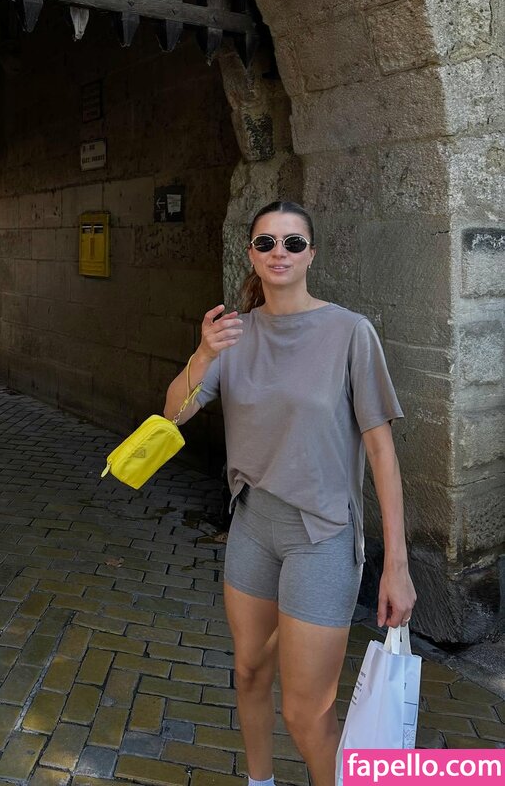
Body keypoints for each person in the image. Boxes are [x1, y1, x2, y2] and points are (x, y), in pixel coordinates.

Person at [163, 199, 416, 786]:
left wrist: (396, 566)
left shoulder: (350, 332)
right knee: (250, 672)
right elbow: (172, 415)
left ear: (311, 254)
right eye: (267, 242)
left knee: (306, 713)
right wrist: (204, 353)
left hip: (321, 536)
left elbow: (382, 453)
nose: (280, 252)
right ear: (251, 254)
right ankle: (260, 781)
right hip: (253, 526)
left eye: (293, 242)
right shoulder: (233, 335)